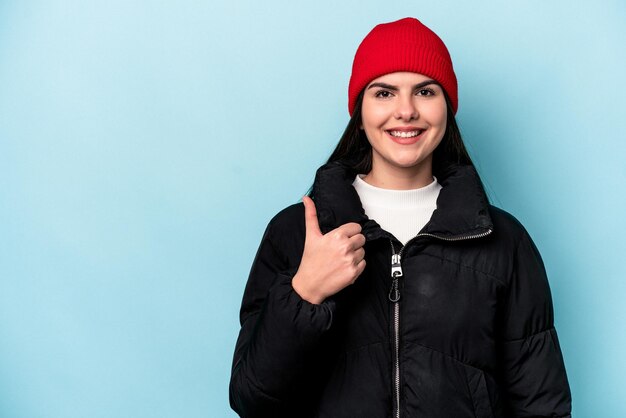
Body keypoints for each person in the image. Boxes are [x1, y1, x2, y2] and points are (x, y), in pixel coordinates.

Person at [229, 17, 572, 418]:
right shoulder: (296, 232)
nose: (405, 111)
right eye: (384, 92)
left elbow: (543, 405)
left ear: (447, 106)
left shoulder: (503, 239)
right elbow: (252, 399)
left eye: (425, 91)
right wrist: (304, 293)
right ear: (360, 111)